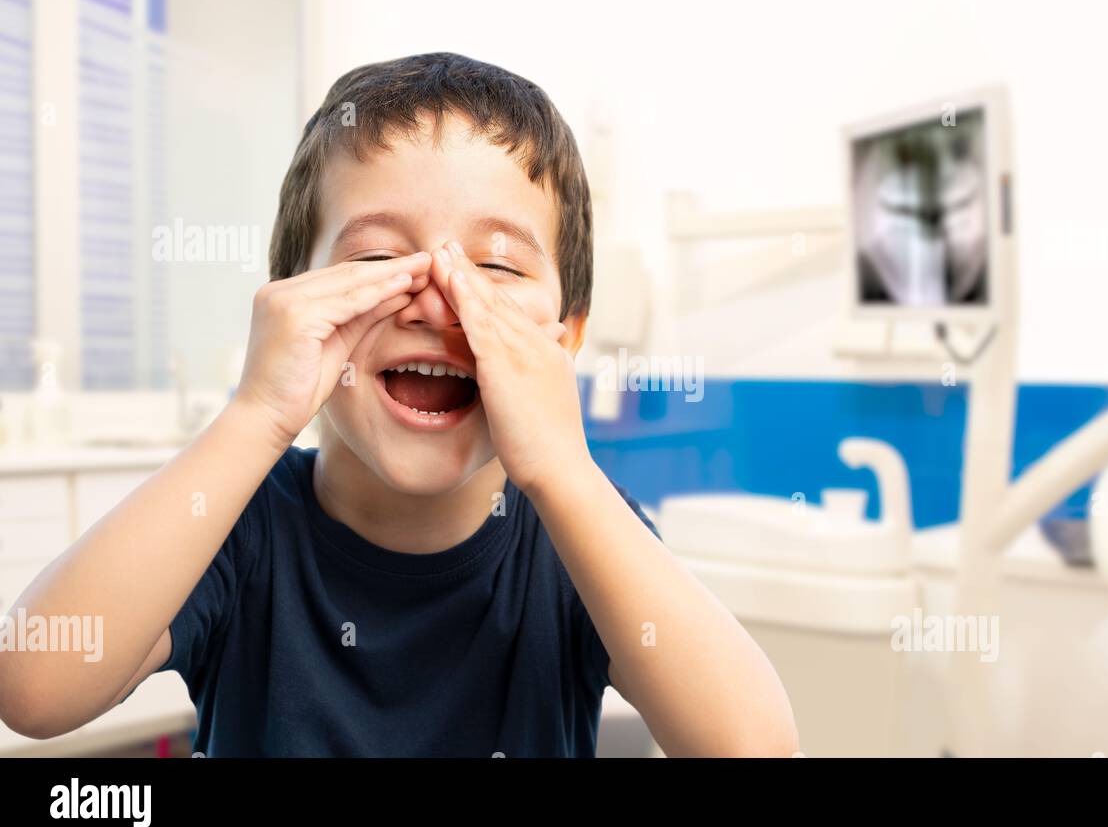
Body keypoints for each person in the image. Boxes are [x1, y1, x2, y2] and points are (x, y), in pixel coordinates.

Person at [0, 53, 798, 757]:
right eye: (379, 258)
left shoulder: (576, 537)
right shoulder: (240, 527)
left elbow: (754, 749)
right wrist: (255, 417)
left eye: (496, 267)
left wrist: (566, 472)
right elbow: (32, 690)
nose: (438, 300)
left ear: (565, 339)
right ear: (294, 305)